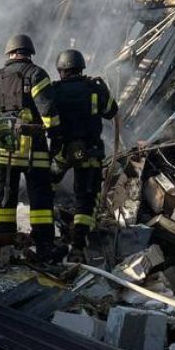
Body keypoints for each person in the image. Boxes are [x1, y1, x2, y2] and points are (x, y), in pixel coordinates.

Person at [0, 34, 62, 257]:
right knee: (40, 198)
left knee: (5, 197)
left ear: (10, 53)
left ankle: (5, 244)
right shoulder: (37, 74)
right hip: (33, 151)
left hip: (6, 150)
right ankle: (44, 246)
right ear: (29, 53)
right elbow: (47, 111)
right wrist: (56, 138)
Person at [49, 49, 117, 261]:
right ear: (81, 68)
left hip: (62, 152)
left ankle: (46, 234)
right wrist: (103, 87)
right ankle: (78, 246)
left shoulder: (54, 90)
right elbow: (111, 111)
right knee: (86, 199)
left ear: (61, 70)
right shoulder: (93, 88)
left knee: (46, 187)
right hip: (89, 152)